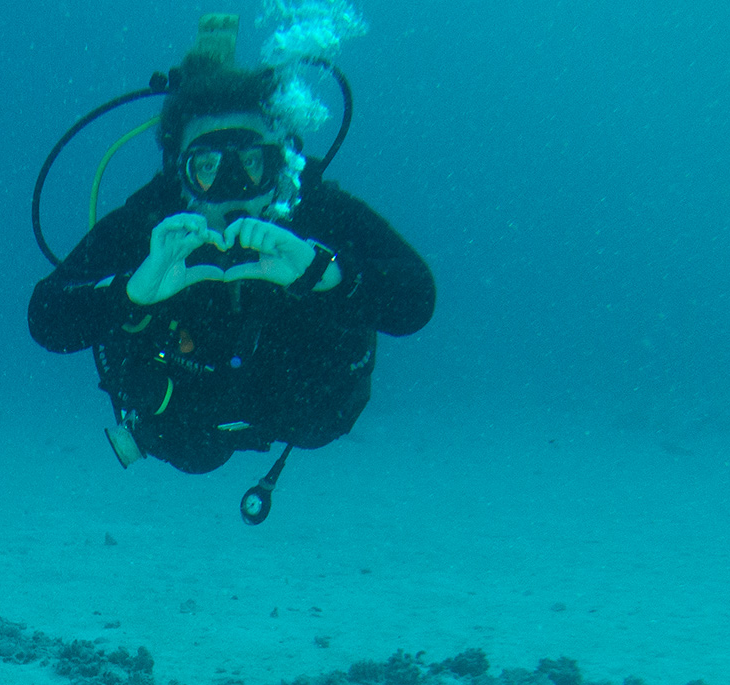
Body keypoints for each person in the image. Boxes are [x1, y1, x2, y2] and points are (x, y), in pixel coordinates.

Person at [28, 48, 434, 479]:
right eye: (207, 166)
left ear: (280, 165)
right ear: (177, 174)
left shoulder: (313, 207)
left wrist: (328, 276)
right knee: (190, 450)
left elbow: (417, 297)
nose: (233, 189)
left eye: (253, 163)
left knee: (315, 420)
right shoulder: (152, 220)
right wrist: (127, 295)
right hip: (187, 421)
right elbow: (45, 316)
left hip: (304, 403)